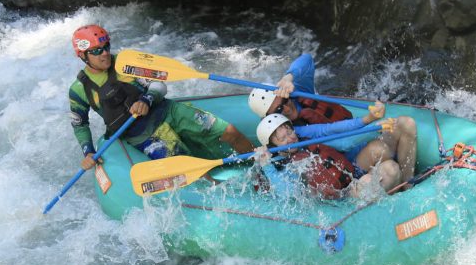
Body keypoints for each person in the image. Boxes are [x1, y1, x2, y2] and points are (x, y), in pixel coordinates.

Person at [68, 24, 253, 171]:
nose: (105, 53)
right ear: (83, 55)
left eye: (106, 46)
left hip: (168, 111)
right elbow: (80, 124)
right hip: (143, 135)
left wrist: (146, 99)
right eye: (97, 51)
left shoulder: (127, 63)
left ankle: (261, 168)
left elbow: (159, 84)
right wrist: (88, 151)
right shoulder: (79, 89)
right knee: (193, 169)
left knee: (230, 131)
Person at [247, 53, 418, 185]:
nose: (286, 107)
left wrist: (288, 78)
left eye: (284, 100)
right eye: (278, 109)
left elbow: (307, 59)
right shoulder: (293, 135)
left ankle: (407, 185)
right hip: (348, 161)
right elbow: (341, 142)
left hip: (355, 141)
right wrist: (372, 125)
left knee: (406, 124)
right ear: (271, 117)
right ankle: (390, 184)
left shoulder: (298, 93)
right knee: (382, 153)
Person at [253, 113, 399, 200]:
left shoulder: (308, 142)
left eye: (290, 133)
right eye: (283, 139)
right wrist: (267, 166)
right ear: (274, 147)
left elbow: (344, 142)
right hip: (340, 199)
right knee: (368, 181)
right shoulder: (283, 166)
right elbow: (288, 194)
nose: (290, 139)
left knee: (391, 168)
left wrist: (375, 129)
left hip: (351, 179)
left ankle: (398, 194)